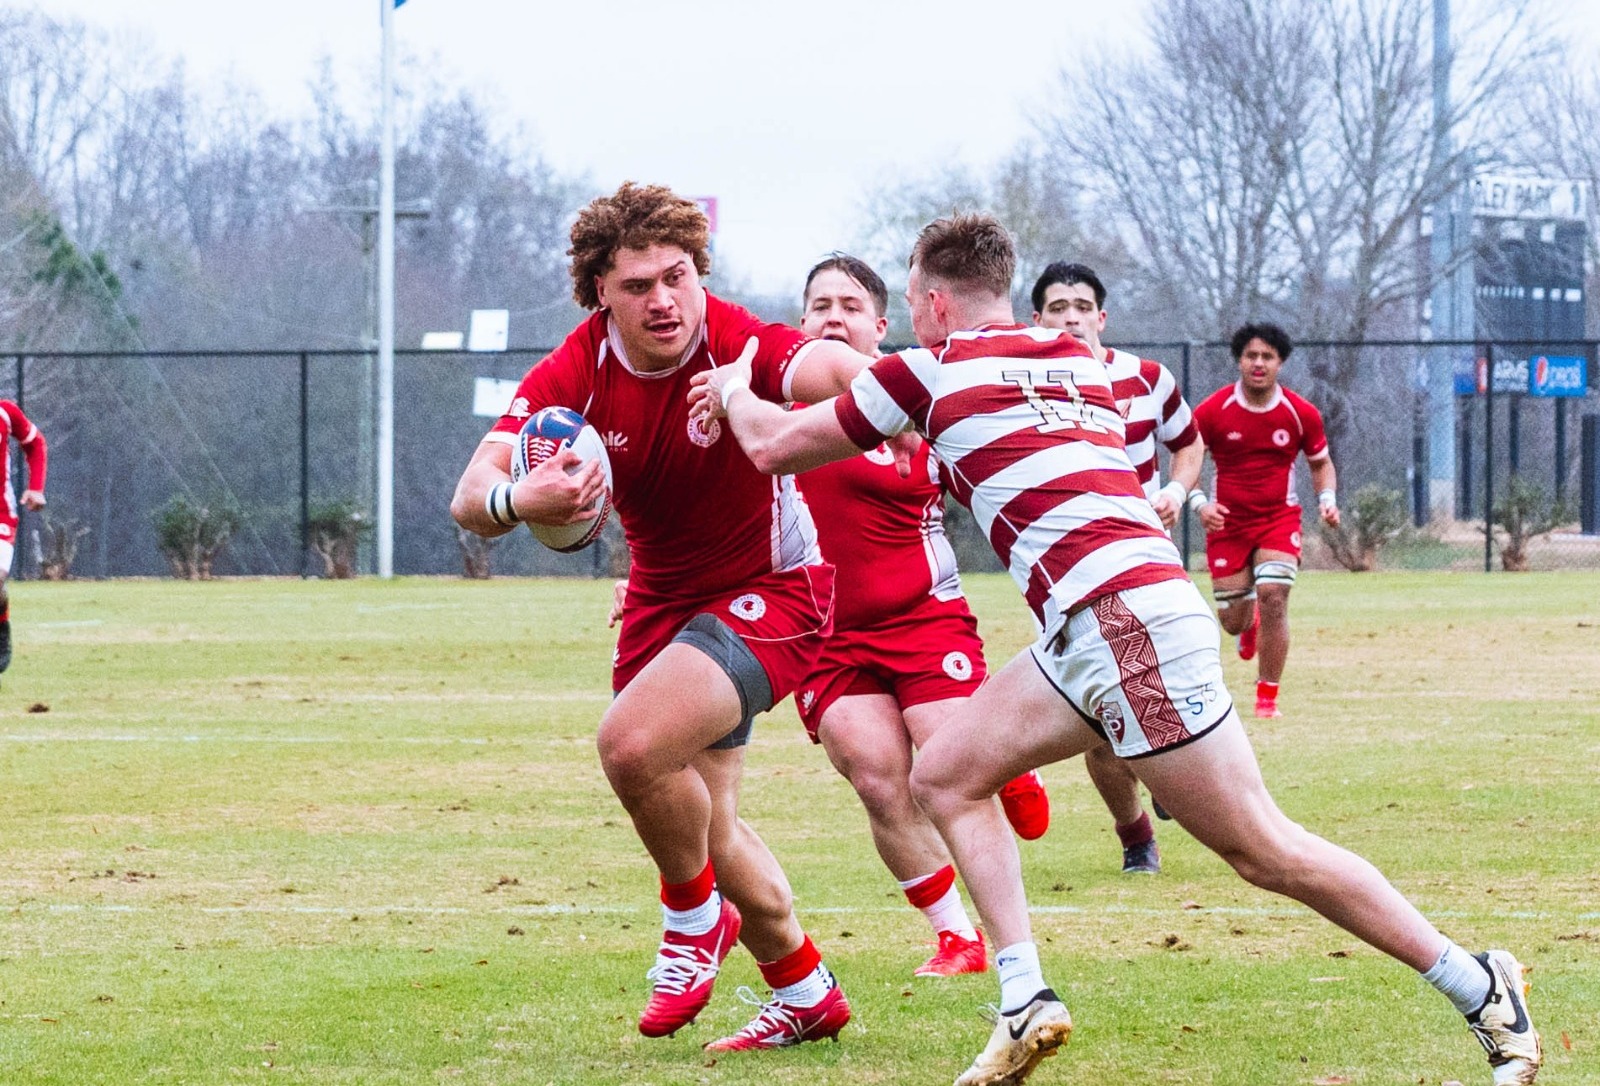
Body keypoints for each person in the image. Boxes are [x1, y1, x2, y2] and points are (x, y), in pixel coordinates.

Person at [690, 213, 1541, 1086]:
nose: (909, 317)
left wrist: (735, 388)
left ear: (936, 303)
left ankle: (1479, 986)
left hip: (1121, 623)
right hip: (1095, 621)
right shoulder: (1077, 360)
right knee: (943, 775)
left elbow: (774, 447)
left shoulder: (930, 371)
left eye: (909, 300)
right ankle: (1023, 1000)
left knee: (1262, 848)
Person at [452, 183, 879, 1053]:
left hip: (775, 590)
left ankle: (691, 921)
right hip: (662, 605)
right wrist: (520, 498)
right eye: (638, 285)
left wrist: (882, 388)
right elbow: (470, 496)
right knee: (708, 829)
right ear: (599, 293)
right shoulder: (576, 369)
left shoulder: (734, 341)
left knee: (629, 746)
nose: (663, 301)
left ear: (698, 274)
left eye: (677, 277)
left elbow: (832, 373)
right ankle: (804, 991)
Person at [791, 254, 1047, 975]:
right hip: (824, 630)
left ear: (880, 325)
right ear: (801, 324)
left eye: (850, 306)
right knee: (876, 776)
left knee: (944, 759)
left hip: (923, 617)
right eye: (819, 306)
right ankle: (955, 936)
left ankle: (1004, 763)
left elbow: (996, 479)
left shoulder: (924, 397)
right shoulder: (777, 410)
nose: (833, 317)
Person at [1030, 261, 1203, 875]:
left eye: (1082, 306)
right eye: (1057, 308)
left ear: (1101, 317)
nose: (1071, 318)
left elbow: (1188, 442)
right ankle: (1136, 836)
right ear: (1037, 320)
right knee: (1103, 723)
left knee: (1166, 700)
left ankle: (1170, 768)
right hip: (1070, 577)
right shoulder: (1026, 389)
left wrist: (1176, 492)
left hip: (1149, 568)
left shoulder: (1147, 379)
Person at [1189, 323, 1340, 720]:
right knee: (1232, 622)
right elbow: (1187, 461)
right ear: (1239, 361)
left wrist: (1327, 500)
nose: (1258, 363)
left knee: (1274, 595)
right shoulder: (1213, 411)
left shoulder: (1300, 413)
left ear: (1280, 363)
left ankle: (1267, 696)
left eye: (1267, 357)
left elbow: (1321, 463)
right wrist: (1200, 505)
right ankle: (1247, 622)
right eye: (1251, 356)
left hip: (1278, 519)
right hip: (1227, 525)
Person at [0, 401, 48, 674]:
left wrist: (36, 487)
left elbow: (35, 443)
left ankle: (1, 621)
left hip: (1, 514)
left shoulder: (6, 413)